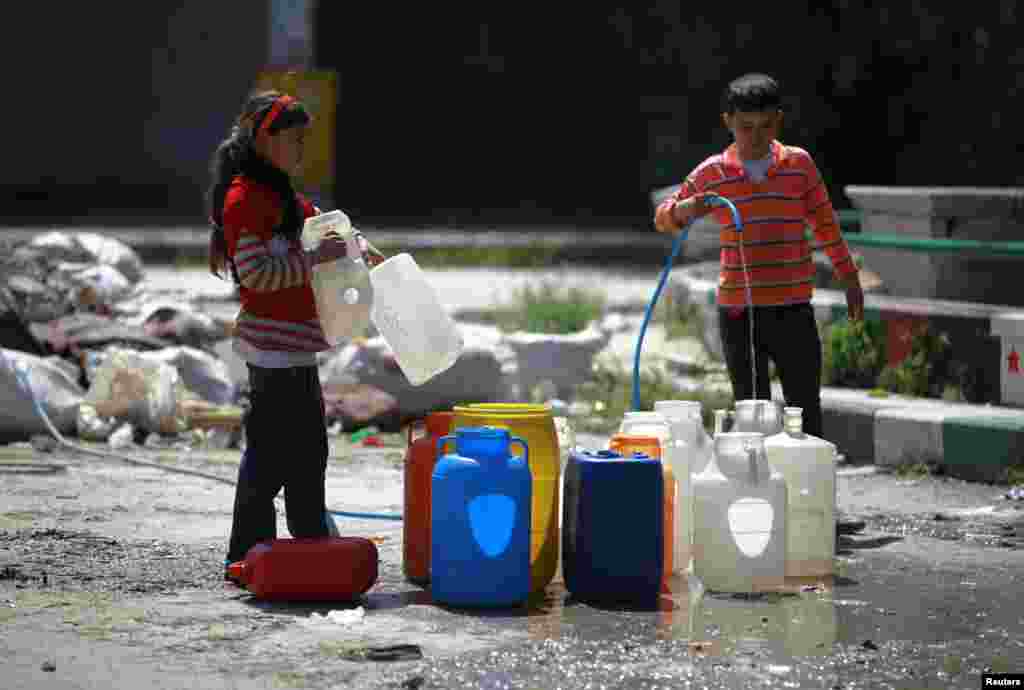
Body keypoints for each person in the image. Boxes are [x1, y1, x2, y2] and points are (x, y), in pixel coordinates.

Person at [207, 90, 384, 581]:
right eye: (293, 138)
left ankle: (309, 548)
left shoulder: (287, 197)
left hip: (298, 352)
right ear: (265, 140)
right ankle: (246, 557)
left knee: (307, 455)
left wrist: (360, 249)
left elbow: (328, 232)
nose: (302, 147)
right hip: (271, 353)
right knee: (270, 458)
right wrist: (316, 259)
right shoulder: (245, 199)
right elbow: (258, 274)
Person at [654, 73, 864, 441]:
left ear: (778, 121)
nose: (756, 136)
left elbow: (827, 227)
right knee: (752, 413)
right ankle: (757, 491)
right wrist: (686, 208)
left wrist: (850, 278)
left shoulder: (798, 166)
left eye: (765, 126)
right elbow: (664, 219)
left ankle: (806, 490)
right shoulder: (713, 172)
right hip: (739, 312)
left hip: (793, 307)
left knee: (804, 409)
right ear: (728, 122)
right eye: (746, 127)